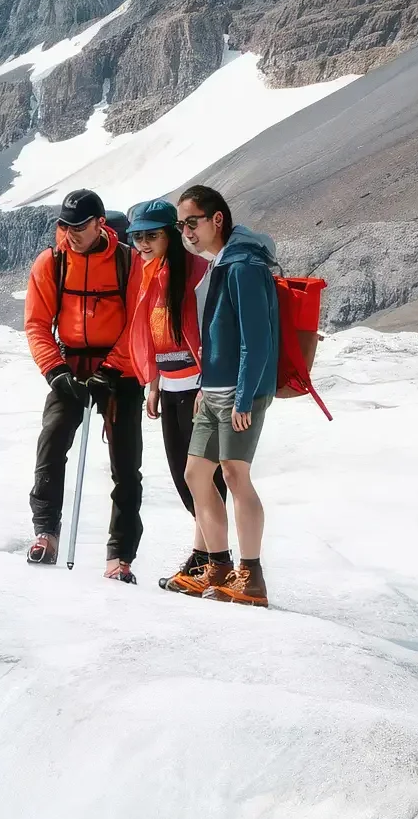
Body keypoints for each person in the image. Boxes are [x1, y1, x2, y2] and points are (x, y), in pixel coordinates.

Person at [22, 187, 150, 580]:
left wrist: (110, 371)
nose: (71, 232)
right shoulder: (52, 262)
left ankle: (120, 557)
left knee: (126, 465)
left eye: (79, 225)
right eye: (65, 225)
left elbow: (138, 323)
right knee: (52, 441)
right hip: (71, 365)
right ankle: (46, 532)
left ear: (99, 224)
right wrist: (55, 372)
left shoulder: (130, 263)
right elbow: (37, 324)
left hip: (122, 372)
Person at [168, 181, 280, 607]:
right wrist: (204, 385)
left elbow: (257, 340)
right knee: (197, 473)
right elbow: (219, 338)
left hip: (240, 394)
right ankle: (217, 564)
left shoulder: (243, 266)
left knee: (235, 475)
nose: (187, 233)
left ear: (217, 219)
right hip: (214, 390)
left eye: (192, 223)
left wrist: (242, 397)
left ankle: (251, 577)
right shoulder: (221, 263)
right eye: (181, 226)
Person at [126, 195, 224, 588]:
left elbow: (213, 334)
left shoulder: (200, 274)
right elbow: (156, 336)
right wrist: (154, 384)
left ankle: (214, 561)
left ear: (170, 234)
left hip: (199, 388)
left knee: (202, 480)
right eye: (137, 238)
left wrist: (209, 386)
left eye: (151, 236)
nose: (143, 245)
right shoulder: (154, 275)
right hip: (170, 387)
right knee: (188, 481)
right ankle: (203, 559)